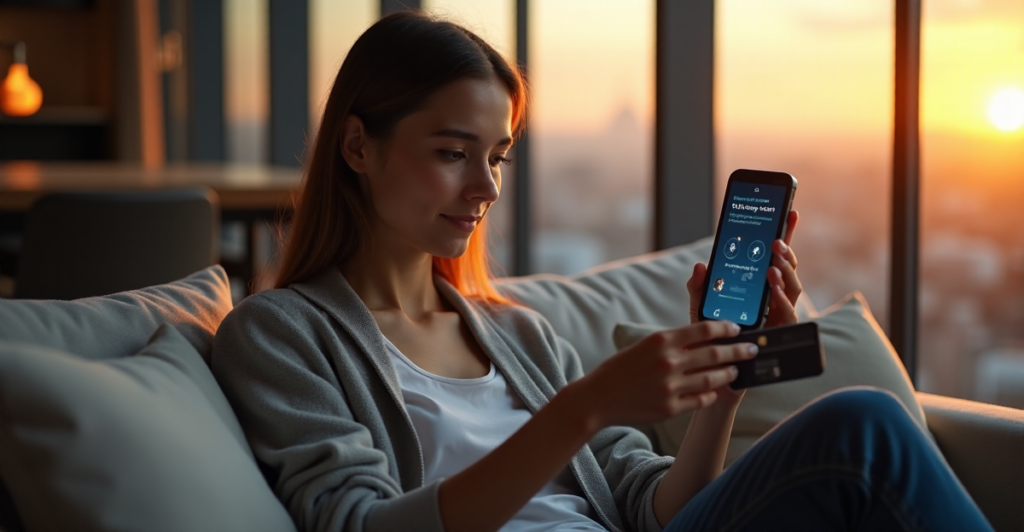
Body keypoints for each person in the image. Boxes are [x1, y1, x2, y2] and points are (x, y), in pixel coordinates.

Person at [211, 11, 993, 532]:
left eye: (497, 158)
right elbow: (357, 523)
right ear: (357, 148)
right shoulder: (280, 333)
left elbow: (651, 509)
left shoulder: (520, 334)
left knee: (862, 429)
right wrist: (581, 409)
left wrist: (723, 390)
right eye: (452, 154)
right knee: (863, 427)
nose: (485, 188)